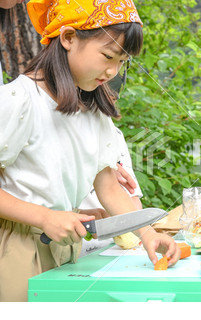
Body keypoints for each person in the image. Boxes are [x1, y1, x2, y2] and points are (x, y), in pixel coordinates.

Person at [0, 0, 179, 302]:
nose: (112, 71)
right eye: (108, 56)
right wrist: (44, 216)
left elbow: (107, 184)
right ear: (68, 38)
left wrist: (148, 235)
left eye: (122, 62)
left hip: (64, 245)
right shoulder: (20, 100)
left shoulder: (92, 110)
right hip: (17, 245)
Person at [78, 127, 144, 258]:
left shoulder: (113, 133)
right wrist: (79, 214)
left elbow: (132, 197)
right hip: (74, 246)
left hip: (114, 249)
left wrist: (141, 233)